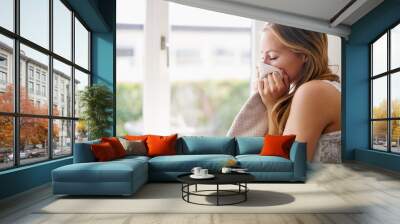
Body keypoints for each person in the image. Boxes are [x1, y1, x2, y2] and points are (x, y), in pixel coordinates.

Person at [254, 22, 341, 163]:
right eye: (262, 56)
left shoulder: (313, 92)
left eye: (273, 57)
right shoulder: (322, 88)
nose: (264, 64)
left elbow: (282, 167)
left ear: (304, 55)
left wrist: (272, 106)